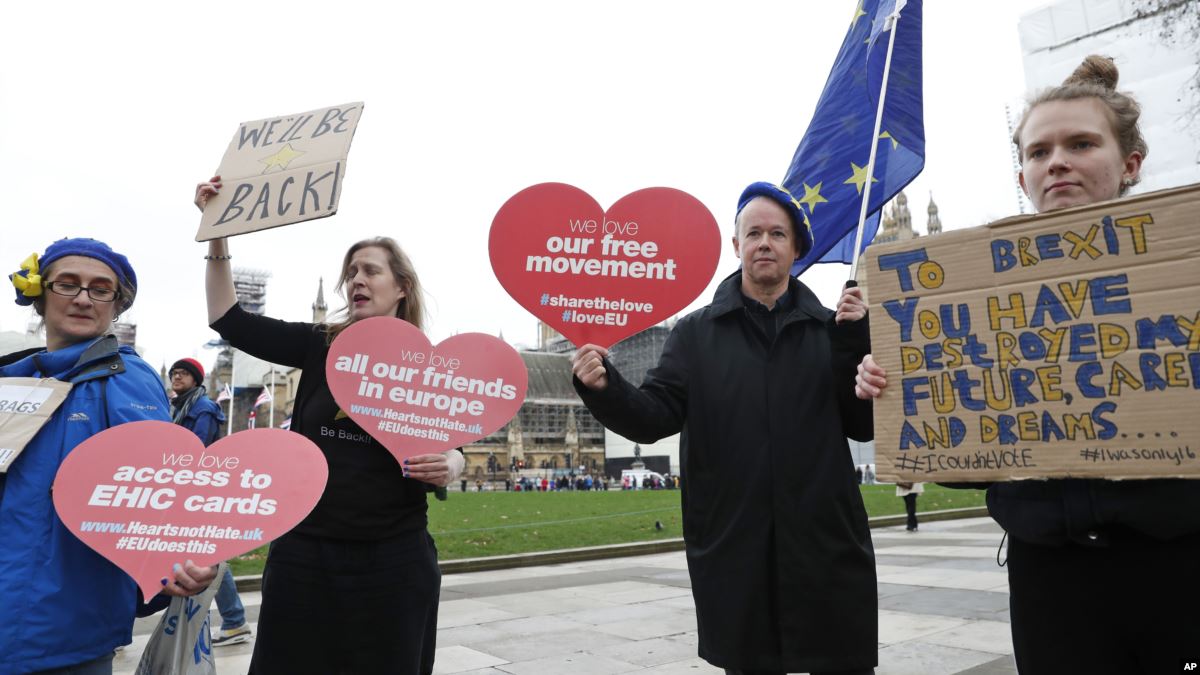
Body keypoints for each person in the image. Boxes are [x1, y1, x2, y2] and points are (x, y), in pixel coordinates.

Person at [855, 55, 1200, 674]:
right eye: (1039, 151)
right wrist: (906, 396)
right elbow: (970, 465)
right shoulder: (974, 293)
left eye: (1081, 143)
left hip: (1177, 564)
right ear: (1023, 174)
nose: (1057, 161)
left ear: (1130, 164)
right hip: (1051, 579)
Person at [573, 182, 876, 675]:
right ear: (736, 246)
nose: (764, 243)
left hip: (824, 544)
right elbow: (655, 416)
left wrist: (855, 345)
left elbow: (861, 427)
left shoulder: (830, 329)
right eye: (753, 232)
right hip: (737, 544)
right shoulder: (696, 333)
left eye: (778, 233)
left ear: (796, 247)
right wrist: (606, 386)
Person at [194, 176, 465, 674]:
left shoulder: (425, 362)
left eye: (370, 271)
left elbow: (460, 446)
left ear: (401, 286)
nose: (357, 280)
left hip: (395, 557)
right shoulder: (320, 343)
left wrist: (451, 462)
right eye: (351, 272)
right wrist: (218, 234)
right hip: (307, 553)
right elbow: (226, 318)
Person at [0, 238, 217, 675]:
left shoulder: (125, 379)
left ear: (116, 306)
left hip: (63, 628)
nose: (83, 297)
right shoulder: (12, 379)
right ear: (41, 294)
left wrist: (178, 561)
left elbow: (159, 490)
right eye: (68, 284)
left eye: (100, 289)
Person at [166, 356, 251, 647]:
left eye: (183, 374)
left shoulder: (202, 407)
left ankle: (235, 620)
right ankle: (232, 620)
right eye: (174, 373)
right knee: (201, 554)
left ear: (196, 380)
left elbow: (194, 451)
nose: (177, 378)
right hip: (181, 489)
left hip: (197, 491)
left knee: (207, 555)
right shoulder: (179, 406)